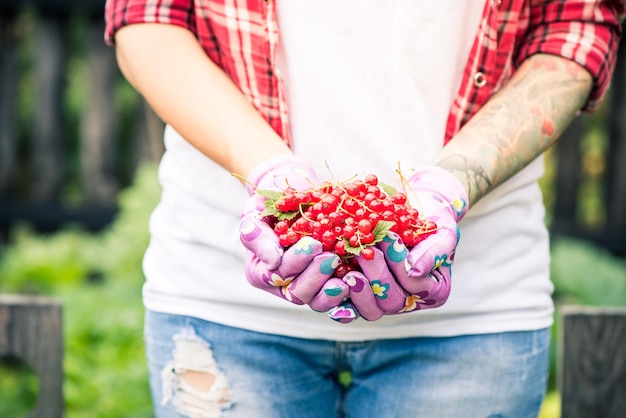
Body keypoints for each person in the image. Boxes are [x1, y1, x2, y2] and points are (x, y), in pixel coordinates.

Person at [104, 1, 624, 417]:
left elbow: (574, 27)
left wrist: (449, 186)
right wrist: (267, 174)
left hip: (474, 308)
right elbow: (148, 21)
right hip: (221, 298)